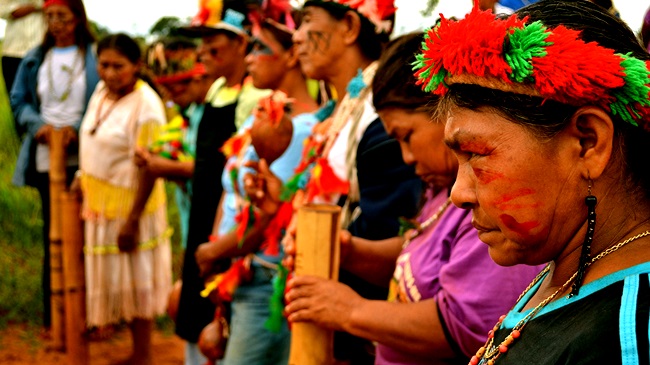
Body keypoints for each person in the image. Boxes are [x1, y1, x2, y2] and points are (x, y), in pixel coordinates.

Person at [284, 32, 543, 365]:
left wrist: (350, 310)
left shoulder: (487, 205)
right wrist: (347, 251)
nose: (406, 157)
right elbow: (418, 265)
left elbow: (467, 325)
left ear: (445, 114)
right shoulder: (440, 191)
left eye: (406, 137)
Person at [413, 1, 650, 364]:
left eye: (475, 154)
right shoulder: (567, 267)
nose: (458, 195)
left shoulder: (629, 335)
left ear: (587, 142)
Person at [244, 0, 423, 363]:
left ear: (350, 27)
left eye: (307, 20)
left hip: (366, 338)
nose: (296, 37)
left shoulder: (380, 122)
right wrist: (281, 204)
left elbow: (400, 254)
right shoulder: (344, 111)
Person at [194, 9, 319, 363]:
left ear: (292, 55)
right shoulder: (259, 114)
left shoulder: (304, 128)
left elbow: (269, 213)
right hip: (234, 270)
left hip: (263, 277)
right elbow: (231, 188)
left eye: (259, 48)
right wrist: (217, 250)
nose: (249, 58)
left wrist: (215, 252)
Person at [174, 5, 270, 364]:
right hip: (203, 218)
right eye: (202, 49)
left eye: (213, 48)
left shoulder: (253, 98)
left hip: (229, 226)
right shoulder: (215, 90)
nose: (204, 55)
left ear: (241, 46)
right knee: (195, 311)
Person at [78, 33, 172, 365]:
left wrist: (132, 220)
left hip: (133, 208)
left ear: (137, 66)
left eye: (119, 66)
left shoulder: (147, 107)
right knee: (120, 281)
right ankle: (130, 347)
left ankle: (143, 354)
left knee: (137, 282)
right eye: (103, 65)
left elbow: (150, 168)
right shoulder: (102, 92)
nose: (110, 73)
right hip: (100, 207)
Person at [9, 0, 98, 330]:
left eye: (62, 16)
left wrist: (79, 129)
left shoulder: (92, 55)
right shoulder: (35, 57)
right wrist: (38, 126)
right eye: (50, 17)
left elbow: (102, 98)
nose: (56, 23)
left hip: (86, 157)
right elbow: (19, 102)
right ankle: (55, 315)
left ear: (77, 18)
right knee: (54, 233)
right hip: (47, 157)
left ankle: (88, 312)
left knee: (87, 234)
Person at [0, 0, 45, 94]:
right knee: (16, 97)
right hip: (13, 52)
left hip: (42, 51)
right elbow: (3, 9)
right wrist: (35, 7)